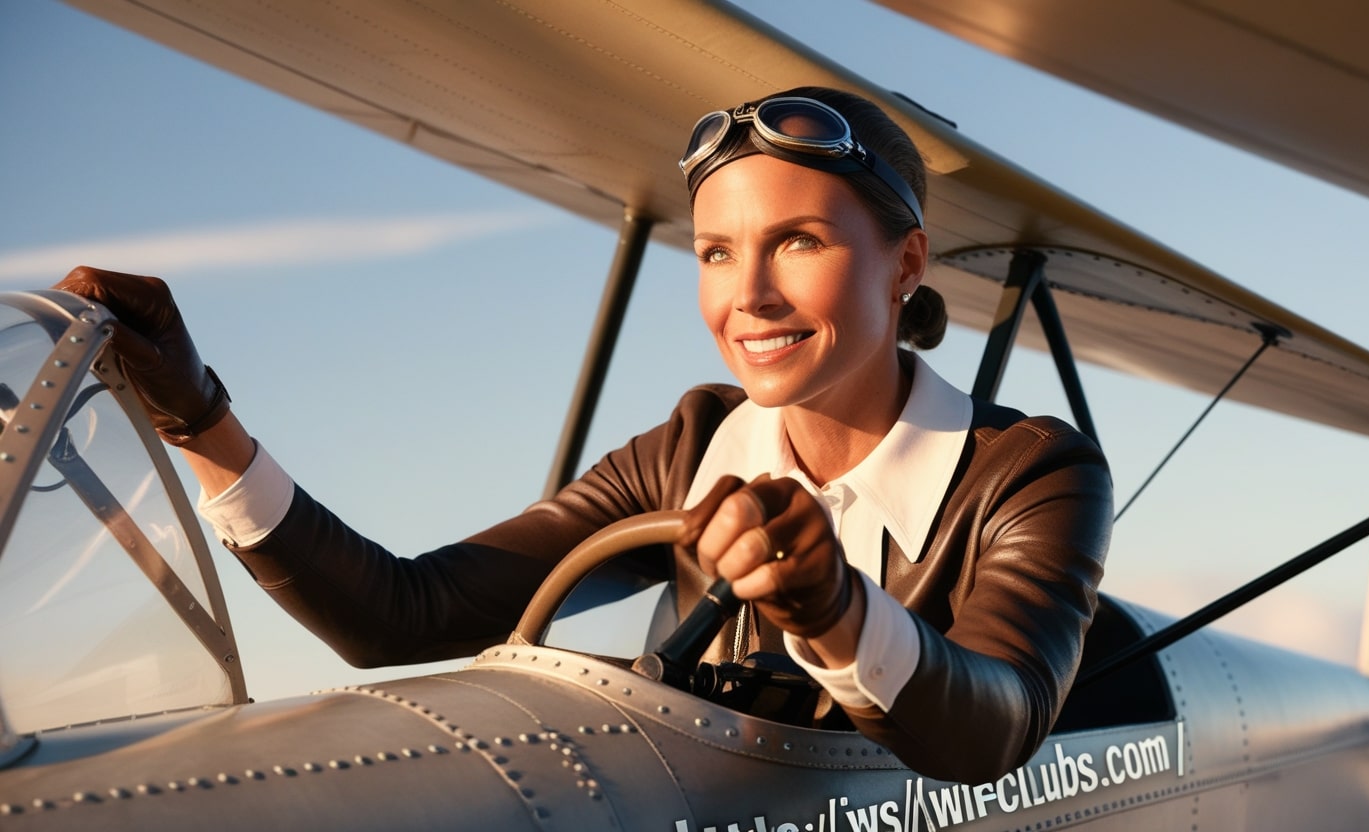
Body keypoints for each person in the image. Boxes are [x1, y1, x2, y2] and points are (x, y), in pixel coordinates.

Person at [55, 85, 1111, 784]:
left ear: (907, 263)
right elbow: (401, 615)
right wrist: (197, 415)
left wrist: (838, 612)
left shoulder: (1030, 472)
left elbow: (994, 725)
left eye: (796, 242)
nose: (747, 295)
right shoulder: (690, 446)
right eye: (712, 253)